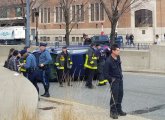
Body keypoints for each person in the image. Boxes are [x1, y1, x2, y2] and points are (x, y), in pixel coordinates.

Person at [104, 44, 126, 119]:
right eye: (117, 50)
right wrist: (111, 80)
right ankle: (113, 112)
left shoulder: (118, 57)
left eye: (119, 49)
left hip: (120, 79)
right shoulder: (108, 61)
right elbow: (105, 74)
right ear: (113, 51)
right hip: (114, 81)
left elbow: (119, 67)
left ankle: (119, 110)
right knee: (114, 96)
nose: (119, 51)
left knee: (120, 94)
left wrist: (121, 75)